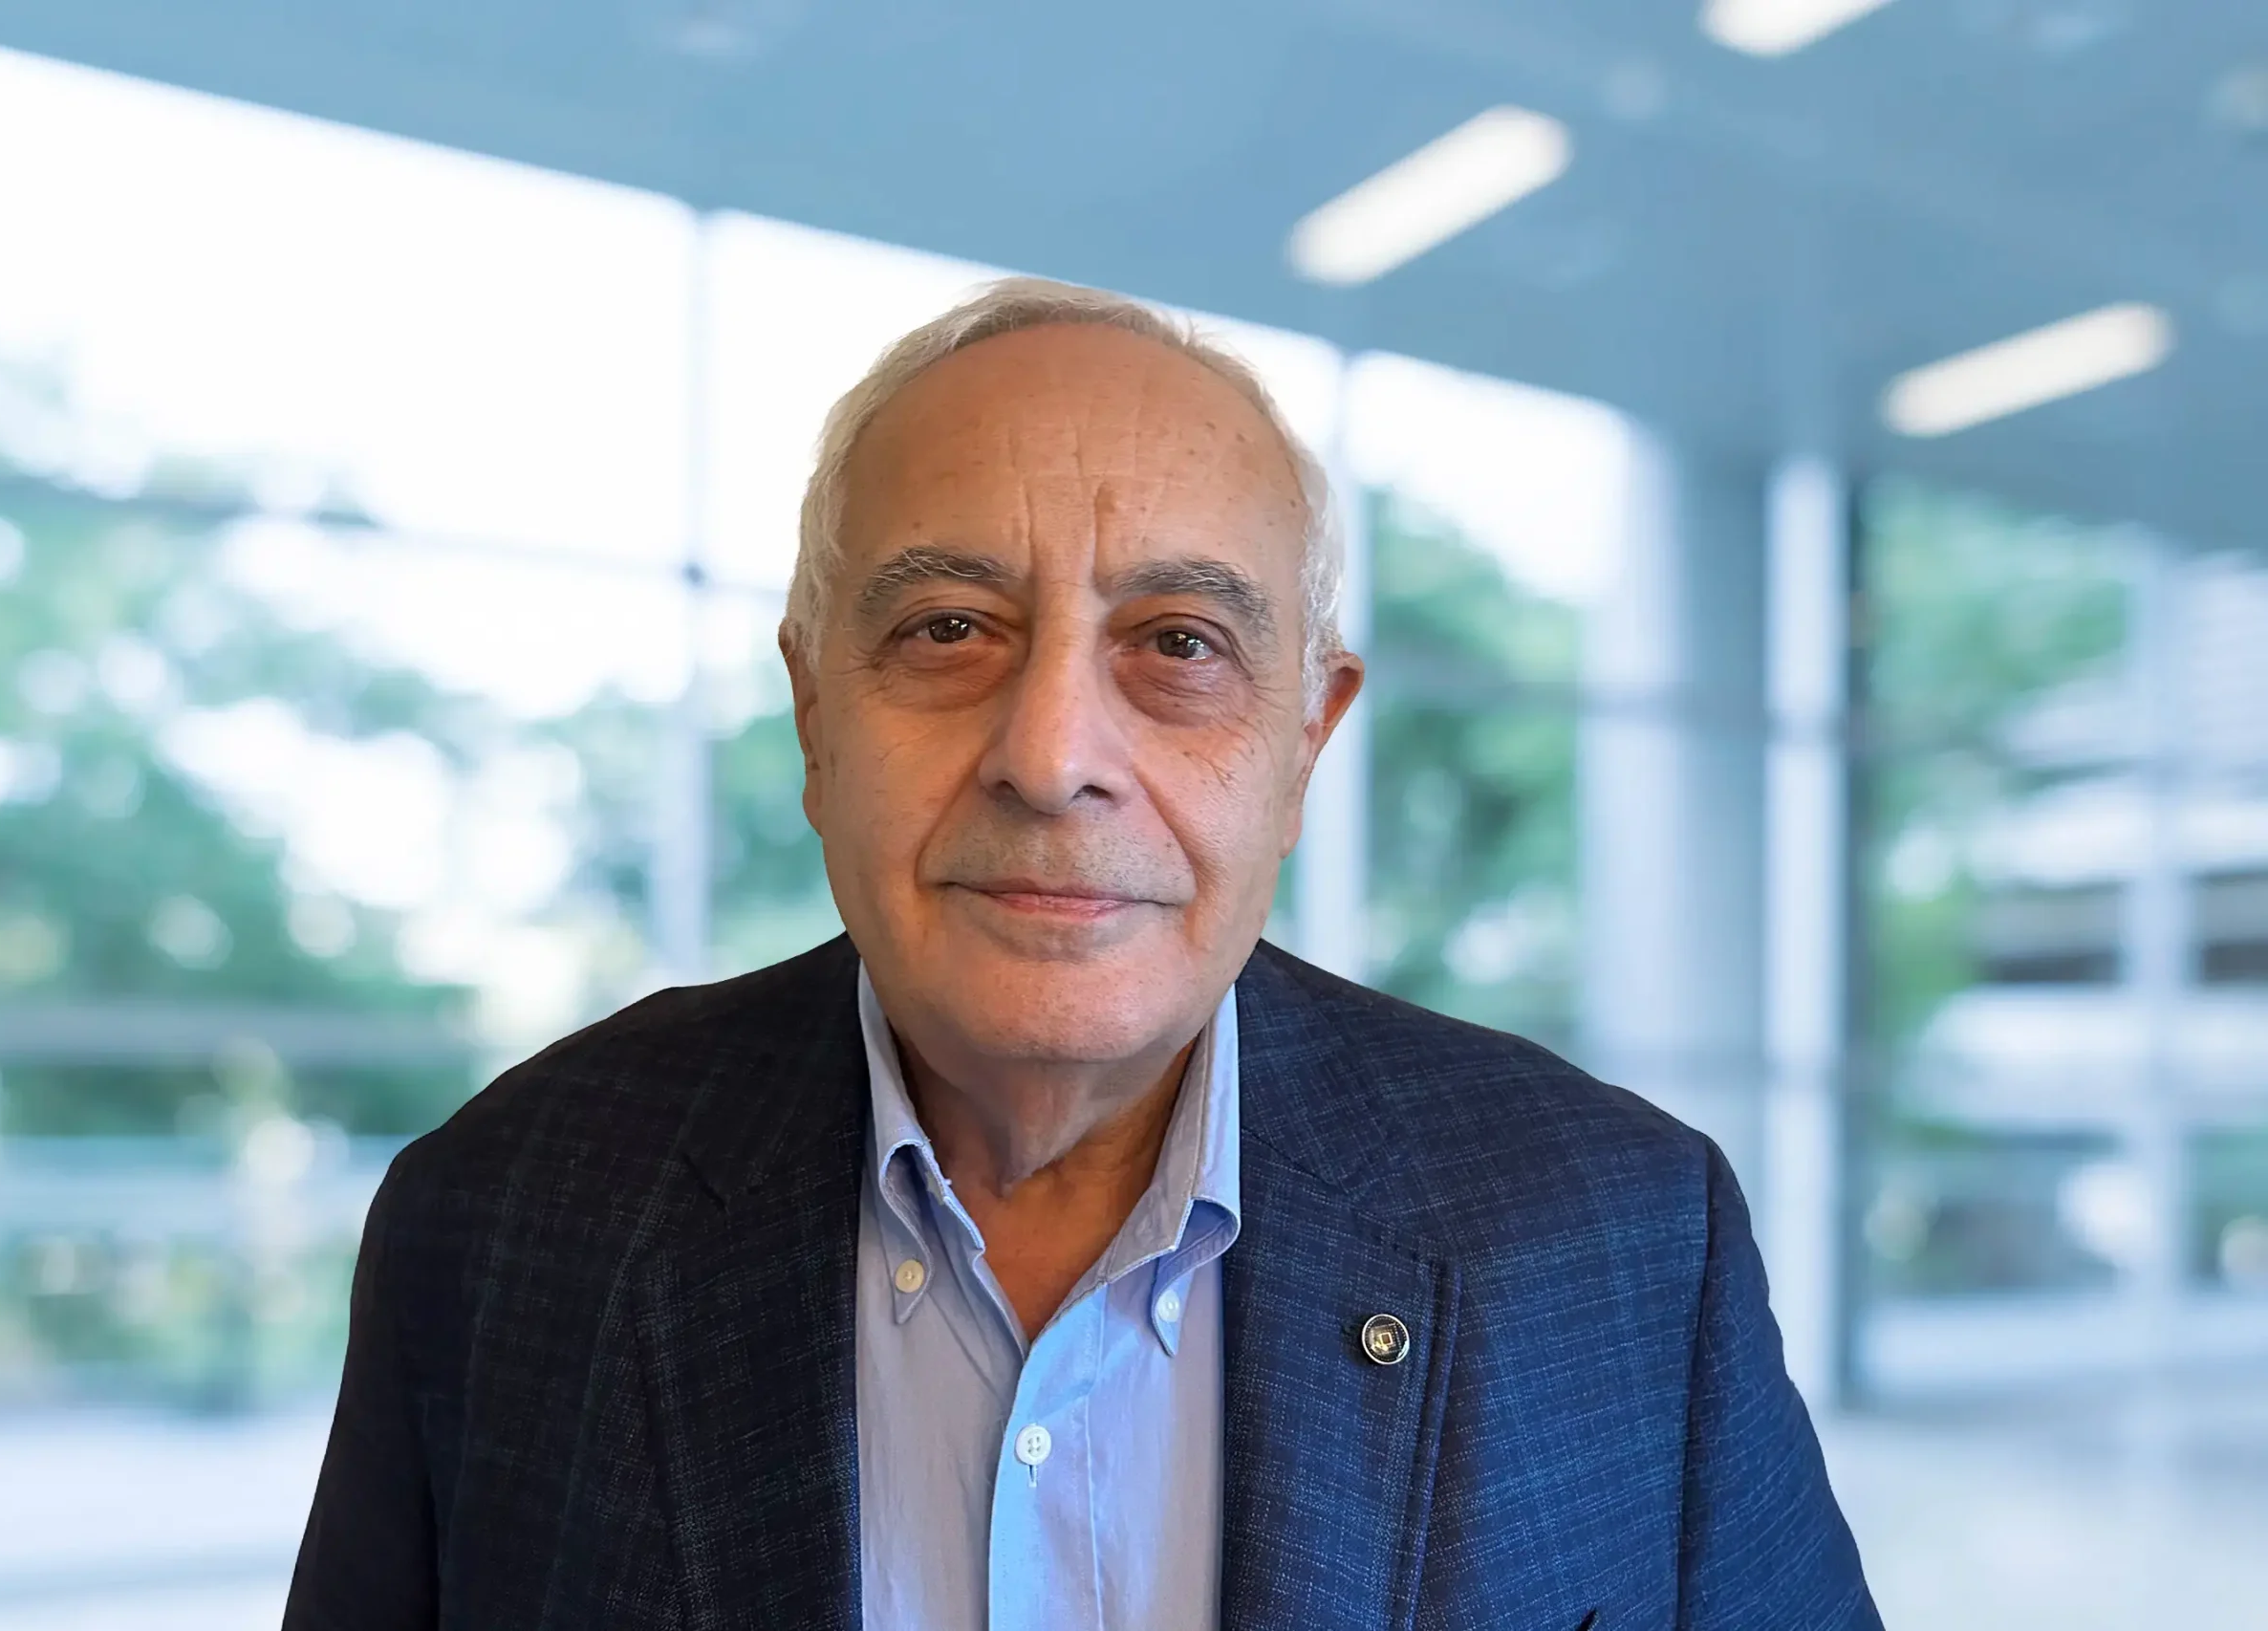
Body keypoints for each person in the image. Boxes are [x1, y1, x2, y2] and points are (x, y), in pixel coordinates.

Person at [284, 277, 1879, 1631]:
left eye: (1179, 644)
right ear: (815, 712)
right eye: (949, 629)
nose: (1051, 756)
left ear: (1304, 743)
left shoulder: (1621, 1241)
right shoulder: (500, 1221)